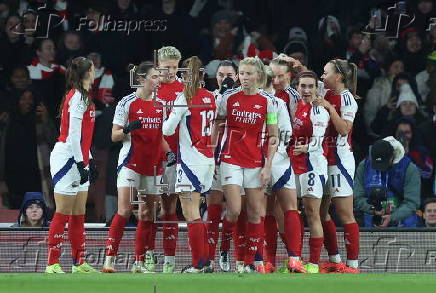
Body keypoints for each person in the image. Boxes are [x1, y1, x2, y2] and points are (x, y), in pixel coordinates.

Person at [102, 61, 173, 273]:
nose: (158, 81)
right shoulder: (127, 103)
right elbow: (114, 135)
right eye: (154, 77)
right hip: (130, 162)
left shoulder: (161, 105)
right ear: (141, 79)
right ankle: (109, 260)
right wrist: (128, 129)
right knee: (124, 209)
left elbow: (160, 137)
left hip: (152, 165)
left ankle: (139, 263)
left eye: (158, 77)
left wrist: (169, 153)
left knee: (147, 213)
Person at [215, 57, 278, 273]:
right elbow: (218, 126)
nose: (244, 78)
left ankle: (250, 261)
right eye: (241, 73)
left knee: (255, 213)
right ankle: (224, 247)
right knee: (233, 210)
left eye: (249, 74)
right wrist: (212, 154)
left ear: (258, 76)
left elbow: (273, 136)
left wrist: (268, 166)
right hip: (230, 160)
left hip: (255, 162)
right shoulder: (228, 99)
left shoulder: (267, 102)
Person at [163, 56, 216, 273]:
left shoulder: (183, 97)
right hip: (208, 160)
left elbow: (167, 130)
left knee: (190, 212)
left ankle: (198, 264)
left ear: (184, 75)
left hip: (190, 162)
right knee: (197, 212)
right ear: (203, 76)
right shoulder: (211, 97)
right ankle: (205, 262)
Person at [45, 56, 97, 274]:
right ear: (87, 73)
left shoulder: (82, 96)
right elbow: (73, 135)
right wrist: (79, 162)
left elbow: (83, 134)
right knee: (64, 210)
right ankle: (52, 263)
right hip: (67, 158)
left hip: (79, 158)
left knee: (78, 212)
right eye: (93, 69)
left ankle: (79, 262)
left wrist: (88, 159)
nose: (95, 73)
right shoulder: (78, 98)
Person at [316, 59, 360, 273]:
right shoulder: (324, 91)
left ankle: (353, 264)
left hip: (339, 161)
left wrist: (330, 109)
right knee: (321, 212)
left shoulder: (347, 99)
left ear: (338, 76)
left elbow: (344, 129)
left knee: (344, 213)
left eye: (325, 73)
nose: (322, 77)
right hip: (321, 159)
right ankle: (335, 258)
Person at [289, 71, 330, 273]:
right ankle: (295, 261)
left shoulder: (319, 110)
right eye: (302, 86)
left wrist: (305, 148)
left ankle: (313, 264)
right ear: (297, 88)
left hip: (312, 165)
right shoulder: (297, 106)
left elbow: (319, 139)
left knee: (312, 213)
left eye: (310, 86)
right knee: (292, 212)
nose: (306, 90)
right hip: (294, 164)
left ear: (316, 88)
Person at [263, 66, 302, 273]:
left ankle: (270, 261)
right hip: (277, 160)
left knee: (267, 211)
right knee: (286, 208)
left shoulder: (266, 102)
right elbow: (286, 133)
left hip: (263, 161)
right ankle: (293, 259)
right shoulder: (276, 102)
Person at [205, 59, 239, 272]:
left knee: (235, 212)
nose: (224, 79)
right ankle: (208, 259)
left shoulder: (241, 98)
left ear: (236, 77)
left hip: (236, 160)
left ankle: (225, 249)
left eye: (228, 75)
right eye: (220, 75)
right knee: (213, 210)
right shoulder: (210, 98)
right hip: (213, 160)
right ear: (215, 77)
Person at [156, 46, 185, 273]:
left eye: (175, 67)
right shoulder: (150, 87)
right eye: (166, 67)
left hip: (174, 158)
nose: (171, 72)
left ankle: (169, 259)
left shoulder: (184, 89)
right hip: (149, 157)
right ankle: (143, 257)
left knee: (169, 208)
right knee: (146, 210)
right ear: (158, 64)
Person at [354, 137, 421, 228]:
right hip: (371, 226)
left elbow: (412, 202)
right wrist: (373, 209)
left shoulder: (409, 168)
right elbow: (357, 198)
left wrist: (392, 217)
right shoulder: (364, 166)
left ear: (393, 156)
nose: (380, 168)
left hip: (404, 226)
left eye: (384, 163)